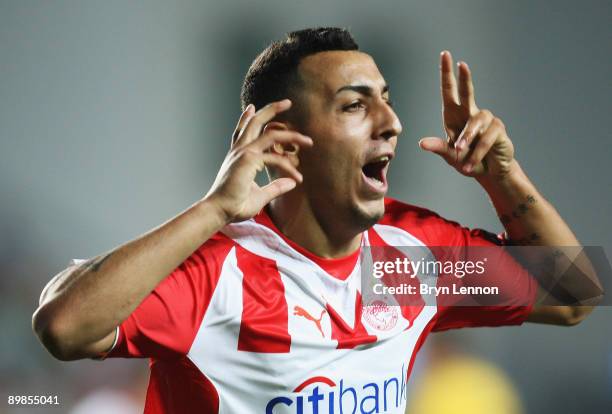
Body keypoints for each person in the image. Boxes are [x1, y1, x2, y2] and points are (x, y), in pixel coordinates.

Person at [32, 27, 602, 413]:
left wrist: (501, 175)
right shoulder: (219, 273)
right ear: (286, 142)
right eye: (355, 105)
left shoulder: (409, 263)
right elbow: (63, 327)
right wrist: (214, 209)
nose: (392, 122)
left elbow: (574, 295)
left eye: (386, 99)